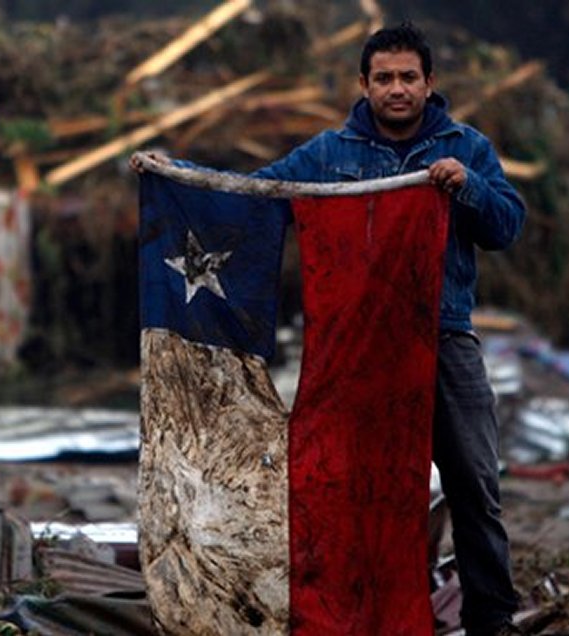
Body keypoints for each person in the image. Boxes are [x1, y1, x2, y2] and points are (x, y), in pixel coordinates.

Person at [133, 21, 526, 636]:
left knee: (474, 482)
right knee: (342, 488)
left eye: (408, 78)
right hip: (353, 350)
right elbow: (257, 196)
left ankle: (492, 619)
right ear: (363, 85)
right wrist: (175, 175)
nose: (397, 89)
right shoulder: (328, 154)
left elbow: (506, 226)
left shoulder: (466, 147)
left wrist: (467, 186)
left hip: (443, 338)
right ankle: (348, 616)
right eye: (384, 78)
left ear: (430, 83)